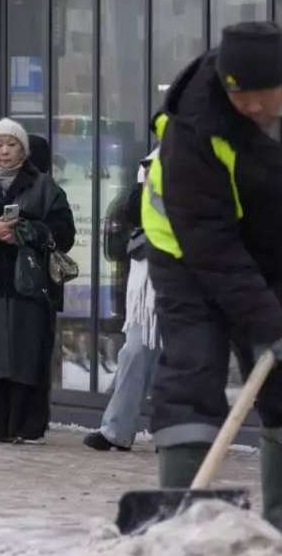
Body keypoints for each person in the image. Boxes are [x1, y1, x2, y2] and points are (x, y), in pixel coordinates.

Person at [141, 21, 282, 541]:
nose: (247, 105)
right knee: (194, 364)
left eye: (258, 94)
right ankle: (180, 513)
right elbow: (210, 243)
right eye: (236, 93)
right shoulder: (195, 123)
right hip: (186, 253)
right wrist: (262, 318)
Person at [0, 118, 75, 444]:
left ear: (24, 149)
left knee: (27, 354)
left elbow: (64, 233)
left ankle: (28, 427)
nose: (4, 151)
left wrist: (29, 230)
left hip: (31, 286)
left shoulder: (45, 186)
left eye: (11, 144)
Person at [84, 150, 160, 452]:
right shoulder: (145, 175)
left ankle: (172, 434)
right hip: (145, 292)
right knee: (134, 353)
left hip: (185, 285)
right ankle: (116, 429)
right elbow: (116, 236)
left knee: (179, 364)